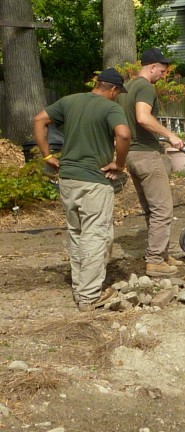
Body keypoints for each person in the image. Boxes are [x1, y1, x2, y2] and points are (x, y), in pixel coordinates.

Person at [33, 68, 131, 312]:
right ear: (113, 89)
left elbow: (38, 120)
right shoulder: (110, 108)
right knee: (96, 235)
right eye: (117, 93)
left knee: (77, 233)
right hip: (94, 180)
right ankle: (89, 296)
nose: (117, 97)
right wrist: (119, 164)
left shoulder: (69, 101)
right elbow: (124, 134)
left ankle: (80, 288)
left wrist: (47, 156)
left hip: (68, 178)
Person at [118, 48, 185, 277]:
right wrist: (170, 135)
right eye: (162, 71)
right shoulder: (145, 87)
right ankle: (156, 260)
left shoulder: (125, 88)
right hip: (146, 154)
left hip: (130, 155)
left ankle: (162, 254)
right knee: (163, 210)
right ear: (152, 66)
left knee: (151, 209)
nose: (162, 75)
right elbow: (143, 117)